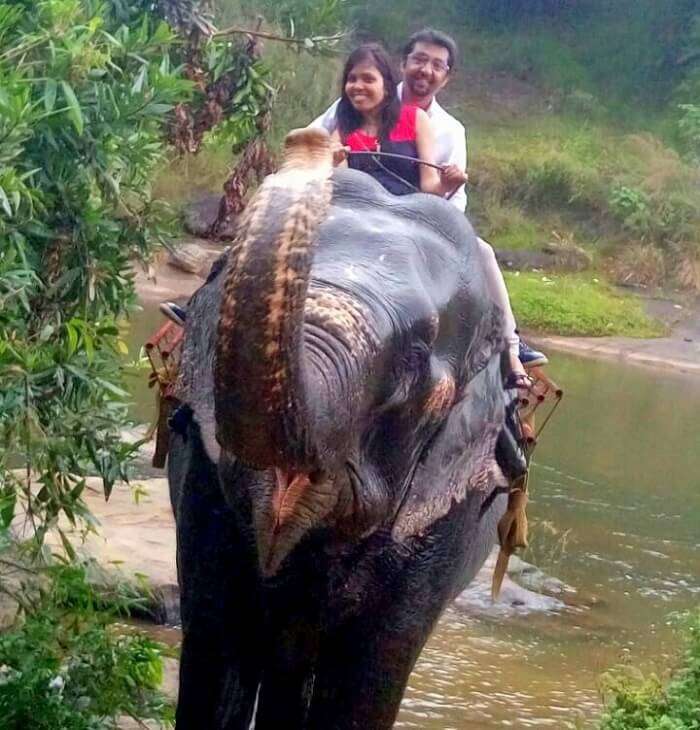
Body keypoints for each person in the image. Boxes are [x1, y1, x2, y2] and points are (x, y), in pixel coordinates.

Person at [310, 28, 548, 382]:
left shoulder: (444, 127)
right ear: (401, 66)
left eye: (437, 65)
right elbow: (313, 148)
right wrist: (324, 158)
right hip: (355, 214)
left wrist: (447, 189)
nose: (426, 70)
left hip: (420, 218)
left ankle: (511, 344)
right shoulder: (347, 115)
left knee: (480, 252)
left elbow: (441, 195)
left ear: (446, 77)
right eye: (419, 60)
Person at [329, 43, 466, 199]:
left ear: (387, 86)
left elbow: (429, 186)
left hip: (406, 216)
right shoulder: (342, 130)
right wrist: (333, 164)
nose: (358, 86)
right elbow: (345, 191)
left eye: (368, 79)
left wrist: (446, 184)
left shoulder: (416, 119)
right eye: (352, 79)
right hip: (359, 214)